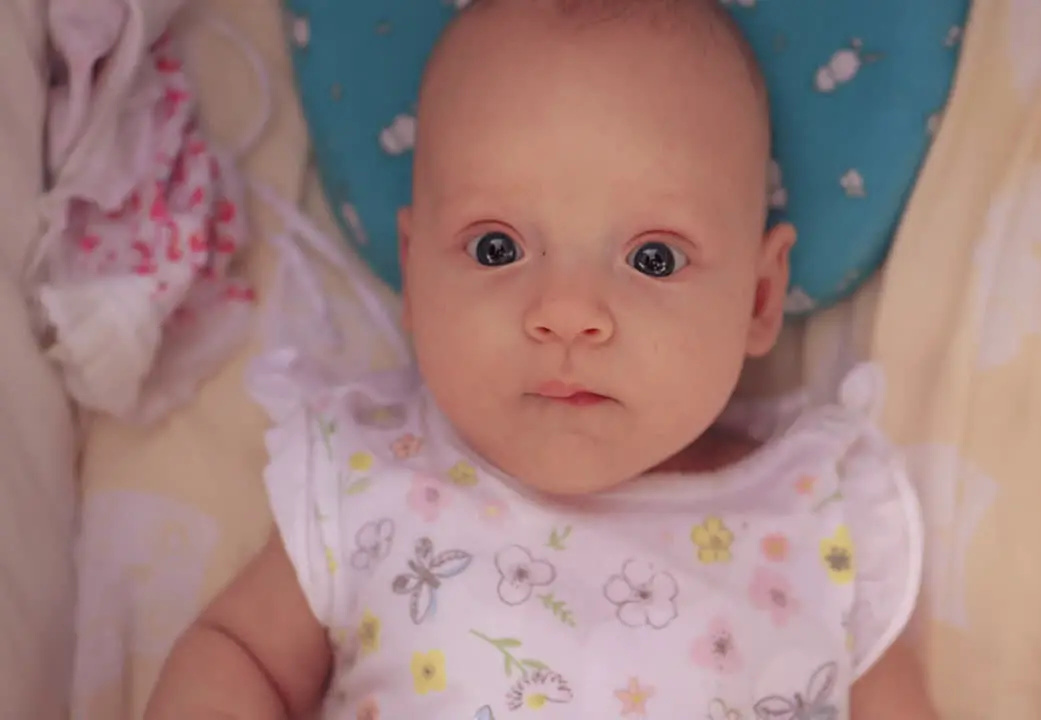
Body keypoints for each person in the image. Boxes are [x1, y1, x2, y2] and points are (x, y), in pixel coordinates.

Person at [146, 1, 934, 717]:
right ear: (415, 271)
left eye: (653, 259)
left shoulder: (818, 523)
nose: (566, 314)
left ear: (760, 299)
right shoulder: (365, 485)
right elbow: (238, 655)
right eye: (497, 247)